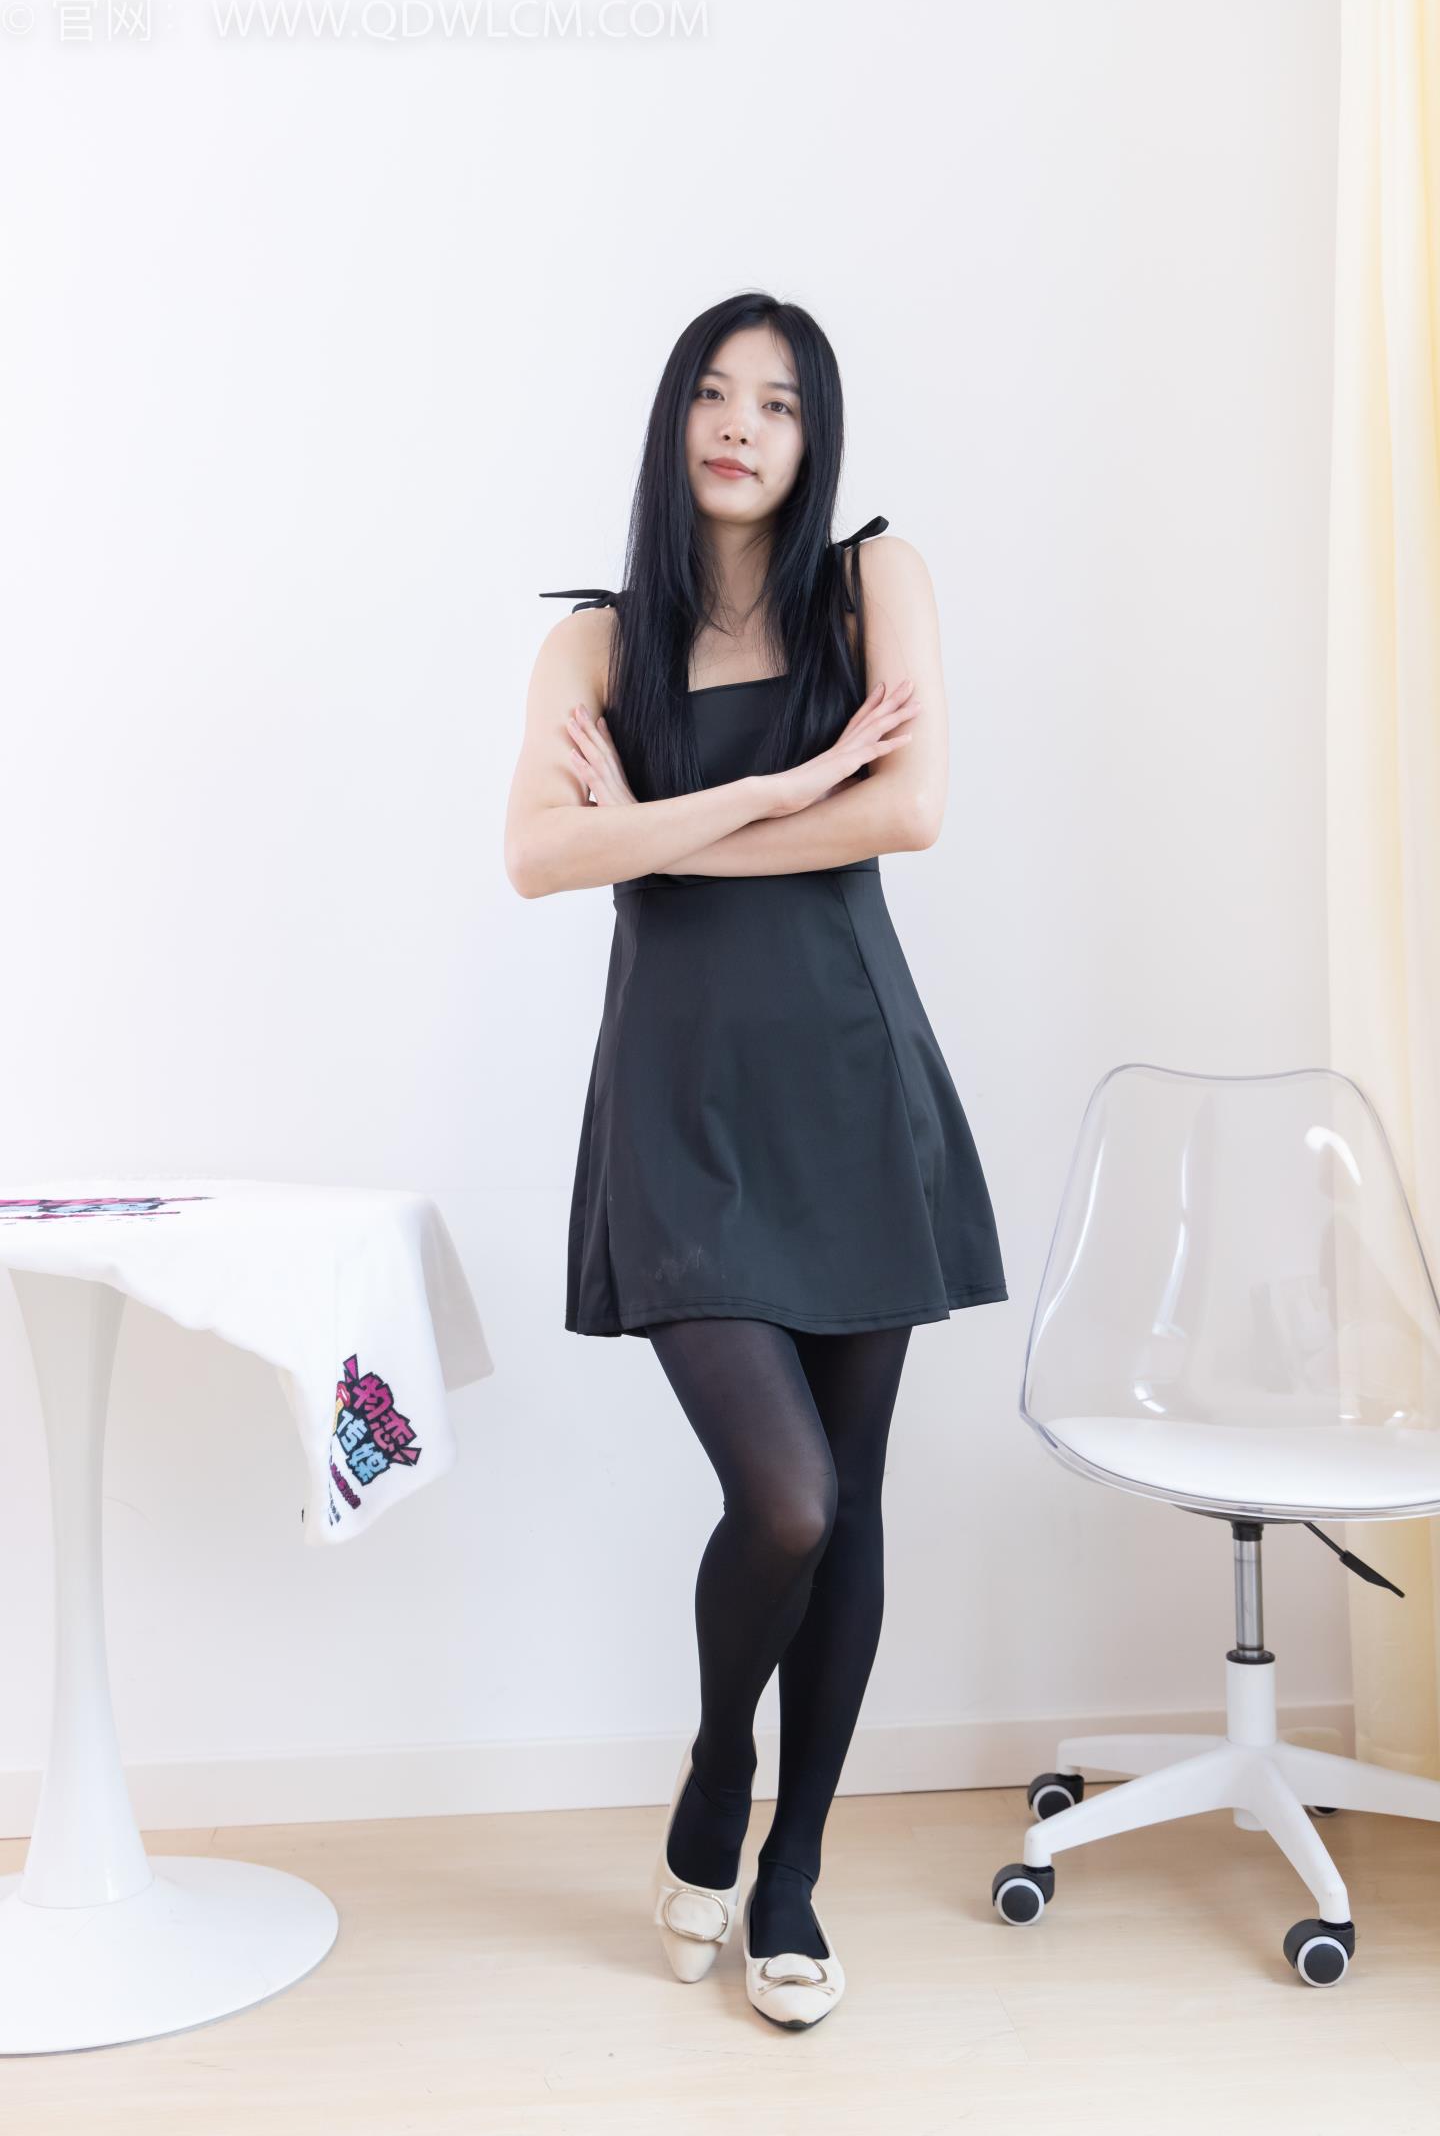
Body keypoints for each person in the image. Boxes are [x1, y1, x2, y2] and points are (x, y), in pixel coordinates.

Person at [504, 291, 1008, 2029]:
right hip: (681, 1105)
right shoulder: (596, 645)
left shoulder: (875, 585)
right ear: (674, 419)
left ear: (816, 437)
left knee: (845, 1499)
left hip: (855, 1085)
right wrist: (781, 791)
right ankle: (722, 1762)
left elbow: (911, 810)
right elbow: (534, 857)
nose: (741, 424)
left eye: (779, 403)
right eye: (715, 393)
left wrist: (648, 831)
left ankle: (790, 1870)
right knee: (781, 1495)